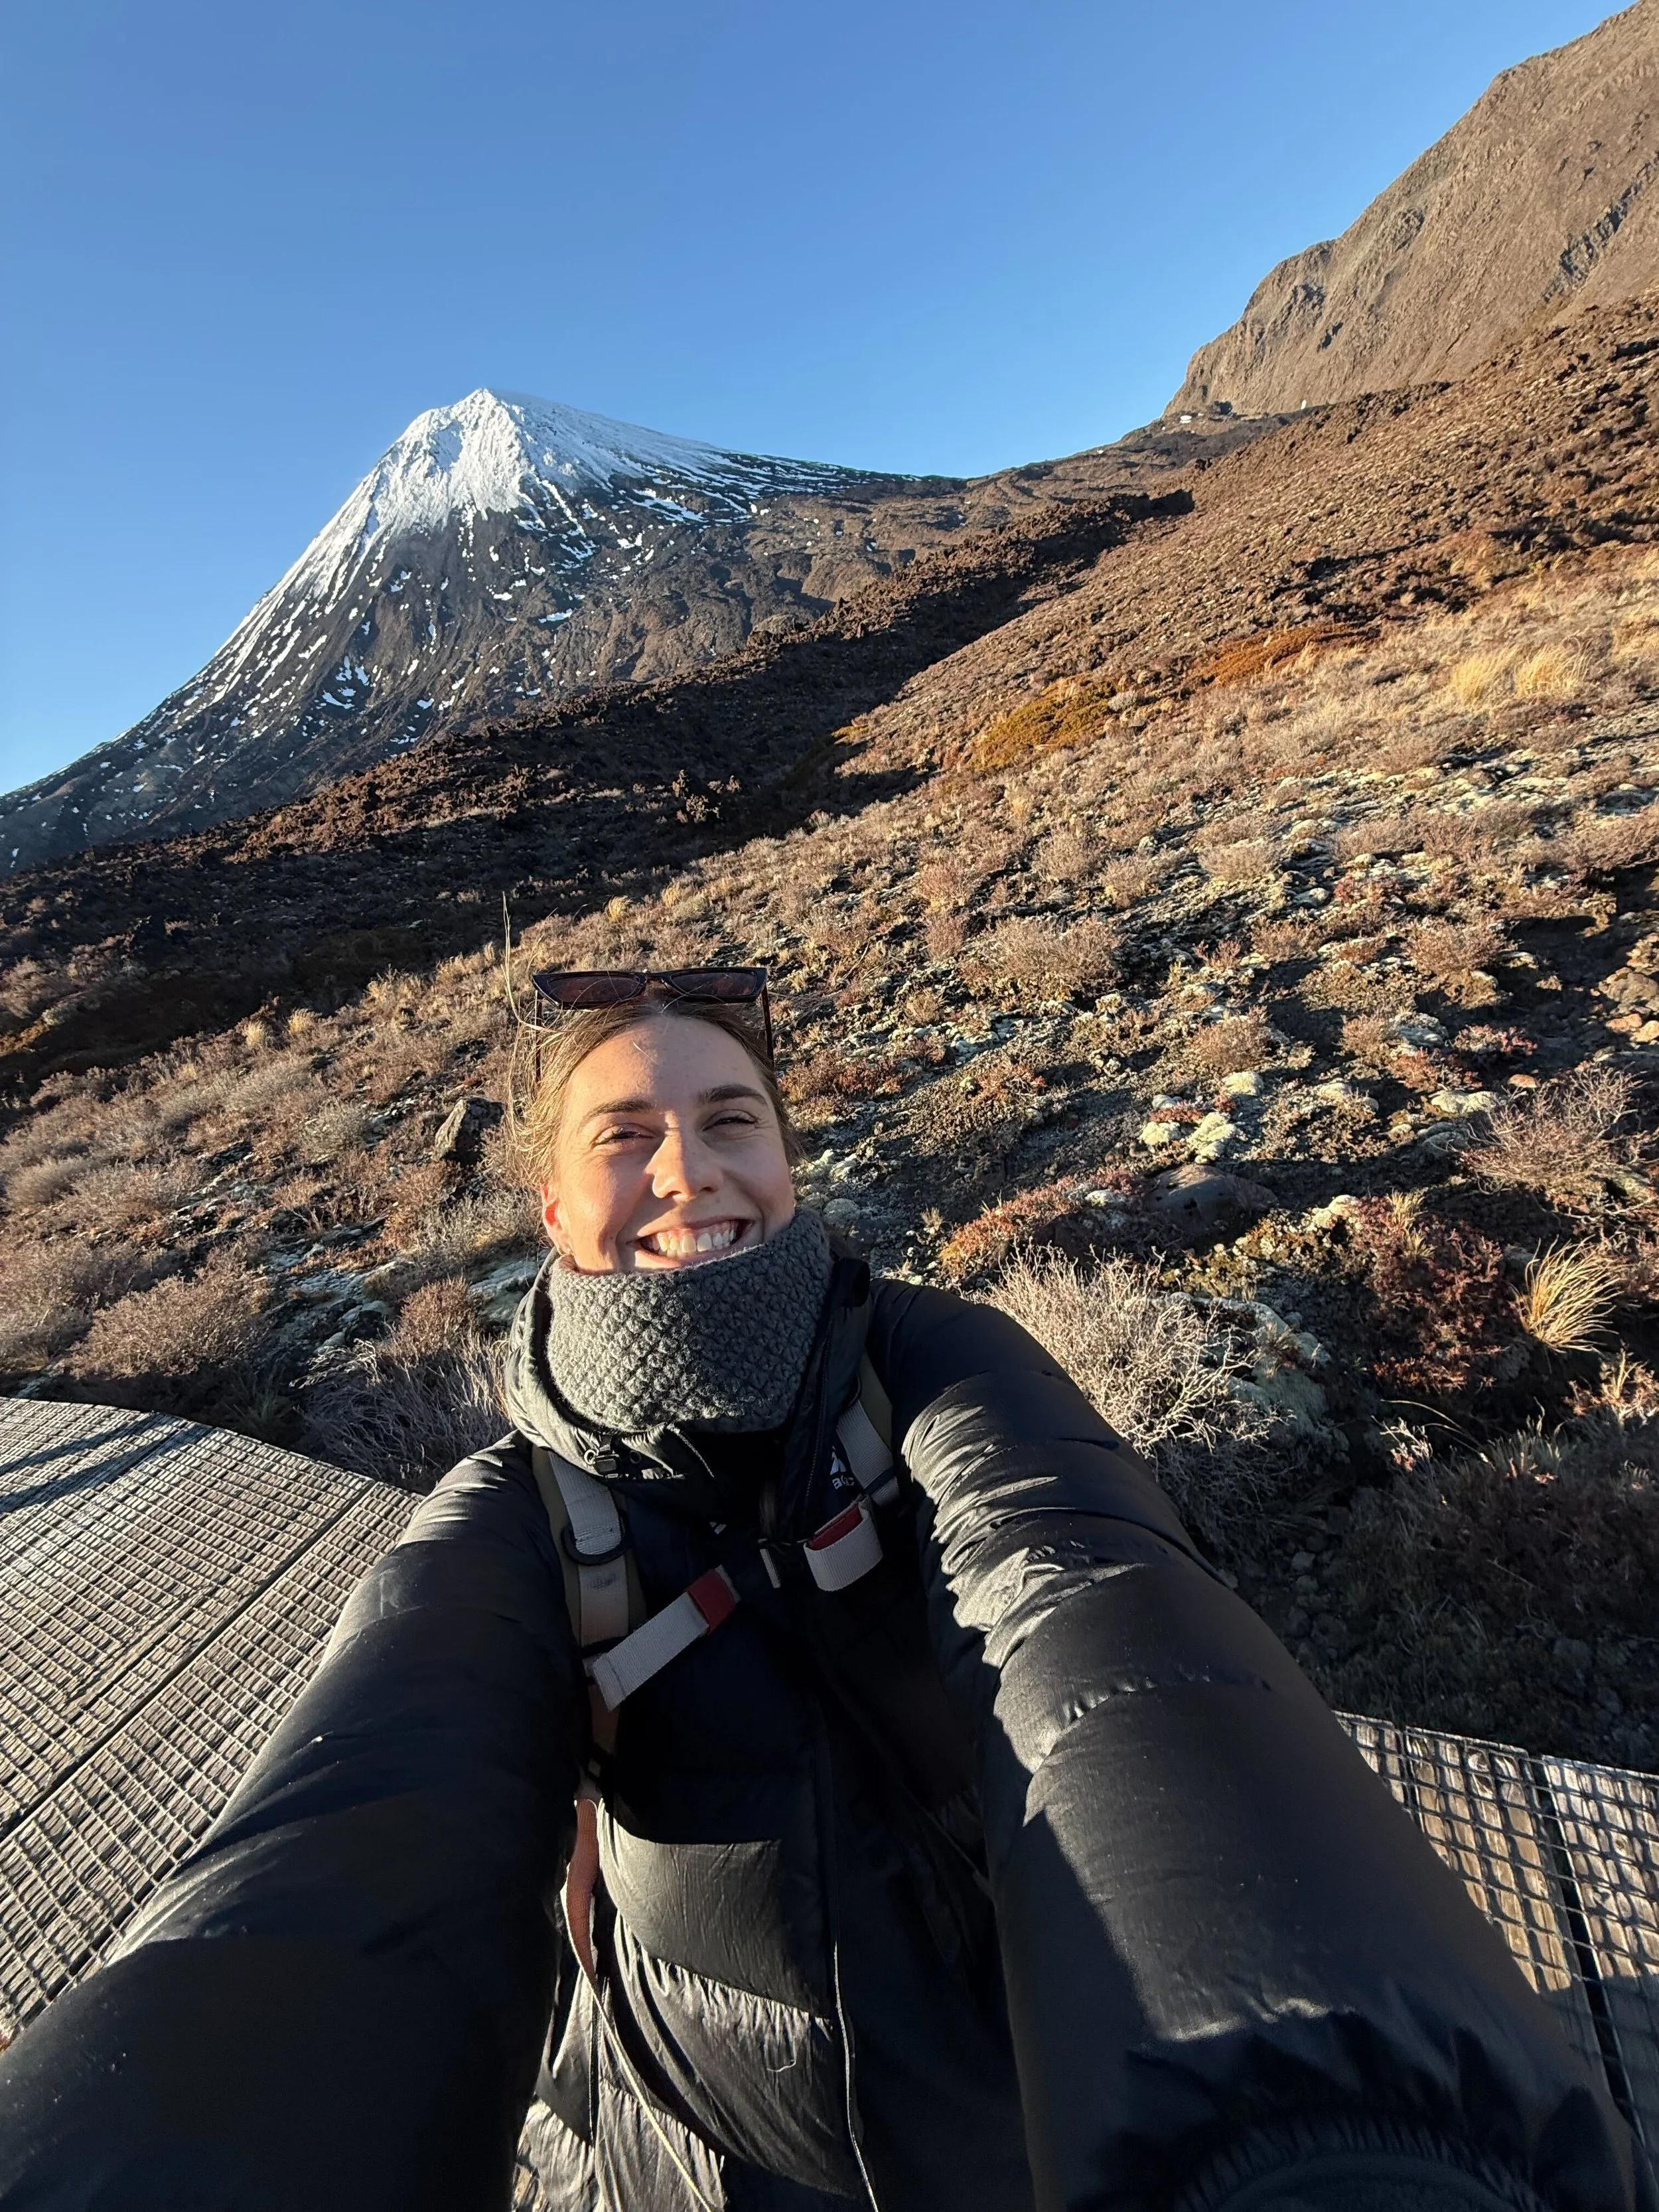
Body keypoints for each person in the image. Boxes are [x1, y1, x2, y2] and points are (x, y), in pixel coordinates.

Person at [0, 966, 1649, 2212]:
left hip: (1044, 2078)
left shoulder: (933, 1367)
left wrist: (1333, 2143)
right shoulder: (515, 1507)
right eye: (626, 1135)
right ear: (554, 1204)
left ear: (790, 1154)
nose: (689, 1172)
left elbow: (1095, 1609)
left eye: (732, 1121)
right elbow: (353, 1830)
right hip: (699, 2144)